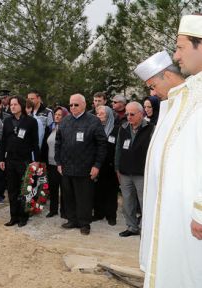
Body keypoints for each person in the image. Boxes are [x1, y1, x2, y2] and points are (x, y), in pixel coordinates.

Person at [139, 15, 202, 287]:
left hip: (191, 216)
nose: (175, 55)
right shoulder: (188, 92)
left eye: (180, 47)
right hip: (175, 213)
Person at [55, 94, 107, 236]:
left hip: (85, 168)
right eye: (71, 105)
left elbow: (102, 145)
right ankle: (72, 220)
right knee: (68, 196)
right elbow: (58, 143)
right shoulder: (65, 121)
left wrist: (97, 165)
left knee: (84, 197)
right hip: (67, 167)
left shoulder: (93, 121)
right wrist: (58, 162)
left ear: (84, 105)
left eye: (76, 105)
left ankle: (84, 223)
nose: (73, 107)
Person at [114, 102, 154, 238]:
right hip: (125, 172)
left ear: (141, 114)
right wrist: (117, 168)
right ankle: (132, 227)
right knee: (127, 202)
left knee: (144, 202)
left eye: (132, 114)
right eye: (127, 114)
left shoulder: (150, 128)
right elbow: (118, 149)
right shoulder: (123, 128)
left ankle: (145, 229)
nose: (128, 117)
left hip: (141, 173)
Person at [0, 96, 39, 227]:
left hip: (24, 160)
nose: (12, 106)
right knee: (12, 190)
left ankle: (23, 217)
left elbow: (35, 143)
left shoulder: (31, 122)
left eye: (15, 104)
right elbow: (3, 141)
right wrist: (1, 159)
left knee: (24, 190)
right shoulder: (7, 121)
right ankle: (13, 216)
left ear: (21, 105)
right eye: (11, 104)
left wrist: (36, 161)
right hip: (10, 160)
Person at [92, 105, 119, 226]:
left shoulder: (116, 130)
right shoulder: (95, 129)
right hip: (98, 166)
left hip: (111, 166)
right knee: (98, 190)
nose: (99, 116)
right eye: (98, 114)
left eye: (102, 113)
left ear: (109, 115)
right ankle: (99, 213)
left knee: (111, 192)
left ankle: (111, 215)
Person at [41, 106, 69, 218]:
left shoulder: (67, 130)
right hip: (51, 163)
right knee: (52, 188)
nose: (57, 116)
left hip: (62, 164)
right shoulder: (51, 128)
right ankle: (53, 210)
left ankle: (64, 211)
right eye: (55, 114)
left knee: (64, 188)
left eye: (60, 115)